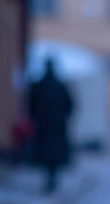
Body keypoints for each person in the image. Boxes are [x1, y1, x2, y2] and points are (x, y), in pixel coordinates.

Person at [27, 59, 75, 193]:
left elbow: (31, 106)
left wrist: (35, 119)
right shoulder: (59, 86)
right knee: (54, 153)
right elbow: (70, 105)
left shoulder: (39, 86)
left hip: (44, 126)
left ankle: (49, 179)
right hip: (57, 126)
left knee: (46, 153)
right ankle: (52, 178)